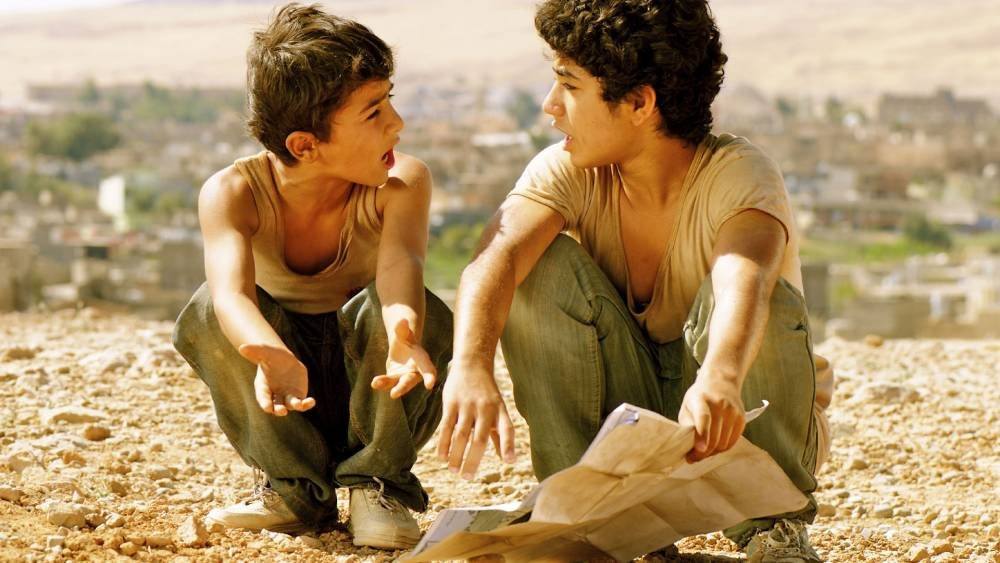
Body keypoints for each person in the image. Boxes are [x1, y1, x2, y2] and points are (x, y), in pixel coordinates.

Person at [436, 1, 832, 561]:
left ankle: (774, 528)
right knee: (539, 269)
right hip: (632, 427)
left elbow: (745, 277)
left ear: (640, 103)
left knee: (755, 304)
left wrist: (720, 378)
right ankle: (589, 523)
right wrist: (470, 364)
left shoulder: (740, 173)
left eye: (569, 85)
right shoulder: (570, 168)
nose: (550, 106)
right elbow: (496, 258)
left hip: (728, 416)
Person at [171, 3, 452, 551]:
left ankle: (376, 484)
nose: (397, 123)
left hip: (372, 384)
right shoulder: (233, 193)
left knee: (420, 312)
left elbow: (402, 268)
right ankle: (295, 491)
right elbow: (229, 295)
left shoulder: (401, 182)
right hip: (285, 390)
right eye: (373, 112)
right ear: (305, 144)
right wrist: (268, 354)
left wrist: (404, 336)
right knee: (206, 312)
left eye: (390, 100)